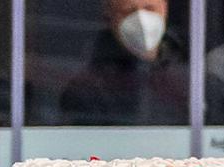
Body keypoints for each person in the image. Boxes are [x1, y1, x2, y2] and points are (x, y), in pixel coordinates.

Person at [59, 0, 189, 126]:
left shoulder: (191, 77)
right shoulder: (88, 90)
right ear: (109, 16)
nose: (141, 20)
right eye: (129, 11)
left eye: (150, 8)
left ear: (164, 8)